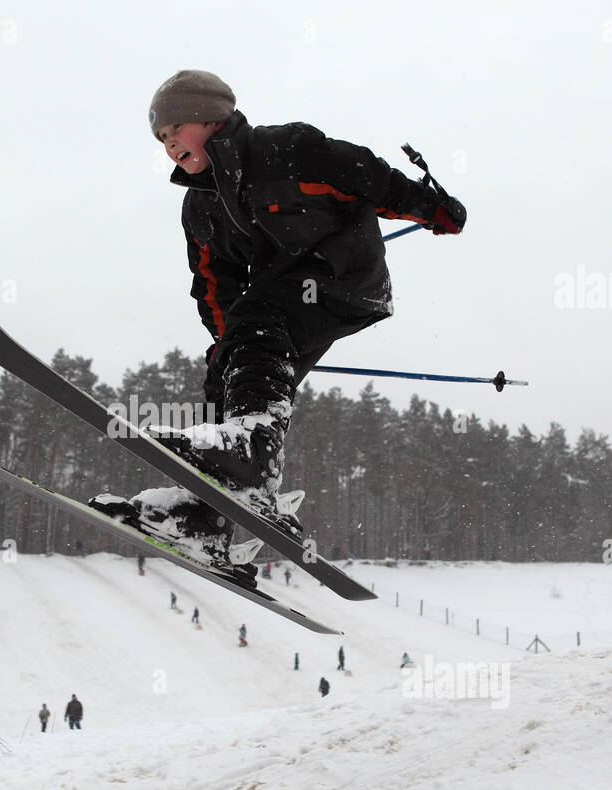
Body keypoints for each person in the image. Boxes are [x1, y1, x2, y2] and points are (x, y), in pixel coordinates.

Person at [89, 70, 465, 580]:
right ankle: (207, 517)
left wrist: (432, 208)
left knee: (255, 323)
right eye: (160, 137)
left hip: (343, 277)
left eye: (176, 126)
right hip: (277, 309)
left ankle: (250, 451)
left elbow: (368, 176)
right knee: (226, 366)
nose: (169, 142)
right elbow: (213, 285)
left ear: (212, 117)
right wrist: (230, 351)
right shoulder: (201, 206)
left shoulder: (284, 150)